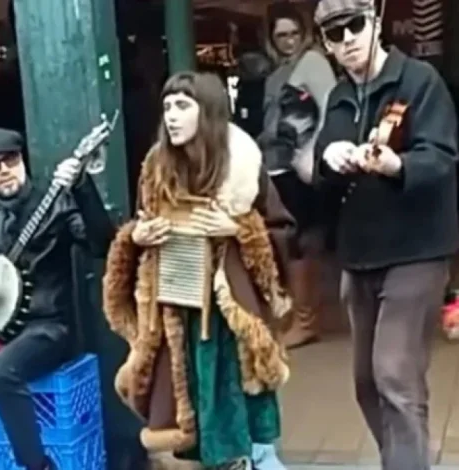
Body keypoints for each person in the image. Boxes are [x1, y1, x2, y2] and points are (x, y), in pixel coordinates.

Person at [103, 71, 295, 470]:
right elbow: (139, 229)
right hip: (178, 308)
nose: (171, 115)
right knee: (189, 403)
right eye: (167, 106)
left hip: (230, 314)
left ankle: (255, 458)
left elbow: (282, 232)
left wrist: (238, 228)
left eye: (183, 106)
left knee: (234, 398)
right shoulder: (156, 169)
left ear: (206, 112)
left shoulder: (242, 165)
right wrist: (138, 235)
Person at [312, 0, 459, 469]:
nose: (347, 38)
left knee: (394, 373)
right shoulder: (337, 97)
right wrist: (329, 158)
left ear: (375, 24)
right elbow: (320, 175)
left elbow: (441, 157)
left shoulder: (420, 81)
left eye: (355, 25)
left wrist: (399, 165)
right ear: (327, 46)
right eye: (335, 34)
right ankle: (410, 456)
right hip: (359, 257)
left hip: (418, 251)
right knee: (365, 382)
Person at [0, 128, 114, 470]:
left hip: (48, 327)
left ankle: (38, 466)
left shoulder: (55, 202)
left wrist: (82, 187)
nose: (4, 170)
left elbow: (101, 244)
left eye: (10, 160)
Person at [259, 2, 337, 349]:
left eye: (293, 33)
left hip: (301, 168)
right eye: (281, 36)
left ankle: (306, 321)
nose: (288, 41)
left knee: (303, 243)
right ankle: (300, 317)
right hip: (277, 166)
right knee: (289, 244)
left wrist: (312, 154)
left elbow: (331, 109)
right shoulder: (280, 71)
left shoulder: (313, 62)